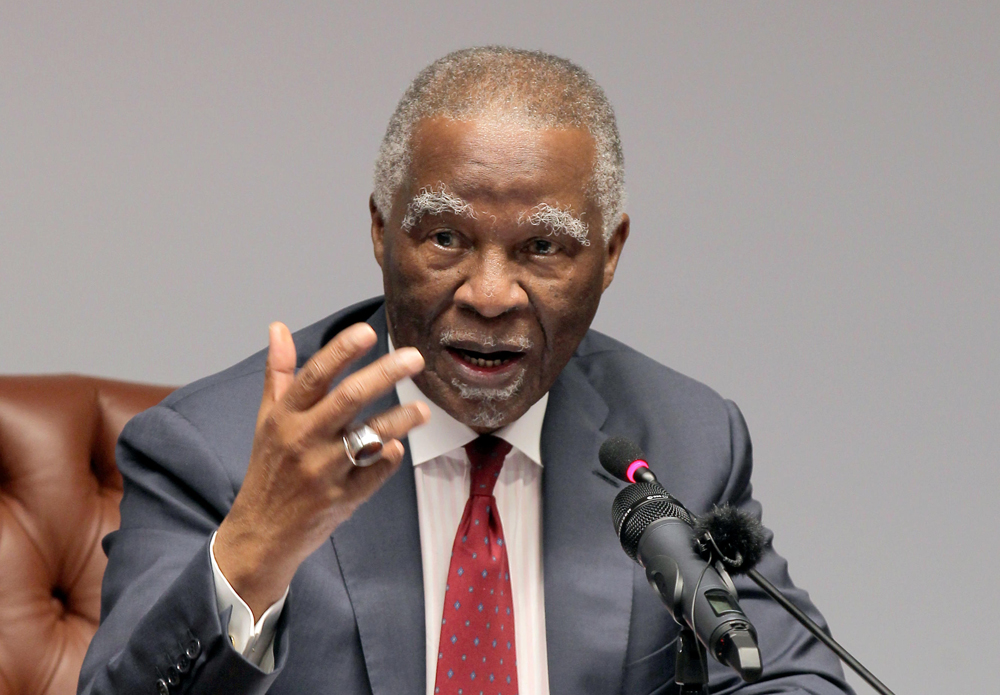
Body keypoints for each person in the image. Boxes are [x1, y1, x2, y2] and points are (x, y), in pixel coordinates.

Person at [79, 47, 852, 695]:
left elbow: (792, 677)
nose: (489, 295)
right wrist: (254, 548)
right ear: (382, 231)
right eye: (445, 237)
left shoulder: (684, 437)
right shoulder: (212, 448)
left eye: (543, 248)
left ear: (610, 254)